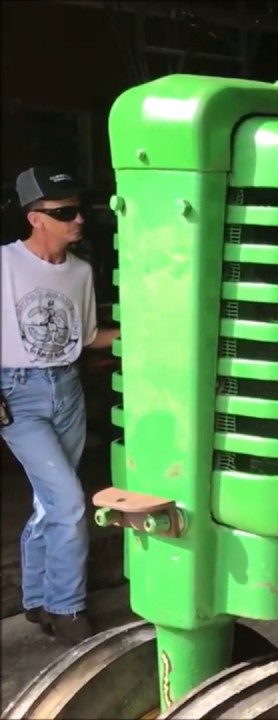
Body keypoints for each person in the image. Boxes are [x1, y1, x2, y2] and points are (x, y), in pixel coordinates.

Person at [1, 166, 119, 647]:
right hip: (17, 395)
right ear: (35, 218)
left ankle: (35, 598)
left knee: (50, 501)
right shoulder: (4, 264)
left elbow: (87, 336)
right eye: (64, 212)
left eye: (79, 210)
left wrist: (148, 336)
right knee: (69, 503)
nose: (78, 220)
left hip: (67, 389)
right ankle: (66, 608)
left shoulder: (81, 272)